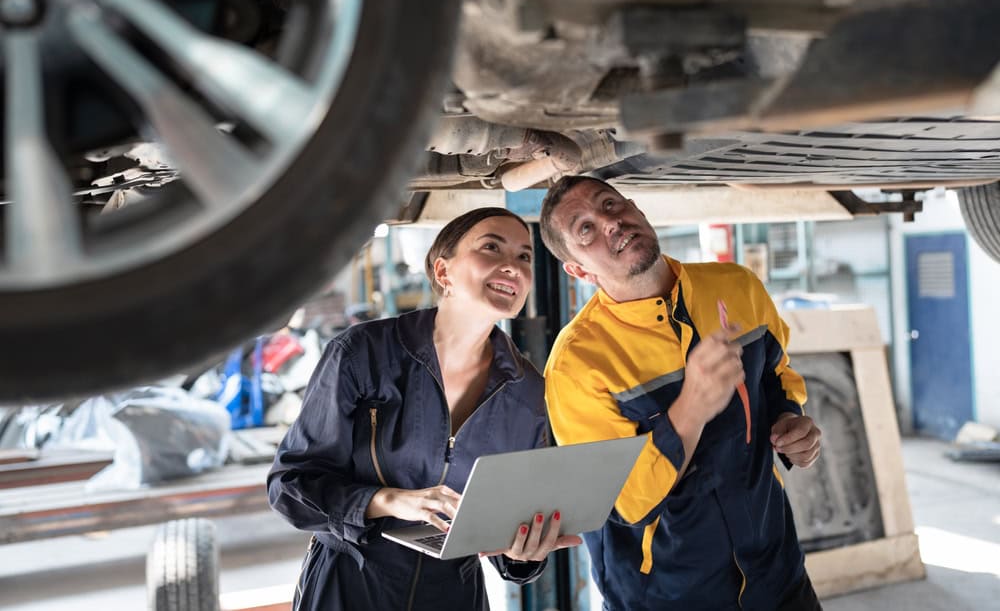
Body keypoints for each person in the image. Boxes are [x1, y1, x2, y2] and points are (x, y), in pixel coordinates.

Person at [268, 207, 581, 611]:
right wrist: (387, 500)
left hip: (454, 594)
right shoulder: (363, 353)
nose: (513, 267)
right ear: (443, 272)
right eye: (492, 247)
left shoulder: (526, 391)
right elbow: (290, 487)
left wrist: (526, 554)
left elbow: (509, 527)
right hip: (350, 586)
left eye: (524, 256)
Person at [538, 175, 823, 611]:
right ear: (577, 269)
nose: (610, 223)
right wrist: (690, 408)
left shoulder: (737, 286)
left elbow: (776, 373)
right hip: (669, 597)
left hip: (777, 576)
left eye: (611, 205)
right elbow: (626, 502)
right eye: (585, 229)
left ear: (637, 208)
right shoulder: (577, 362)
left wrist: (790, 420)